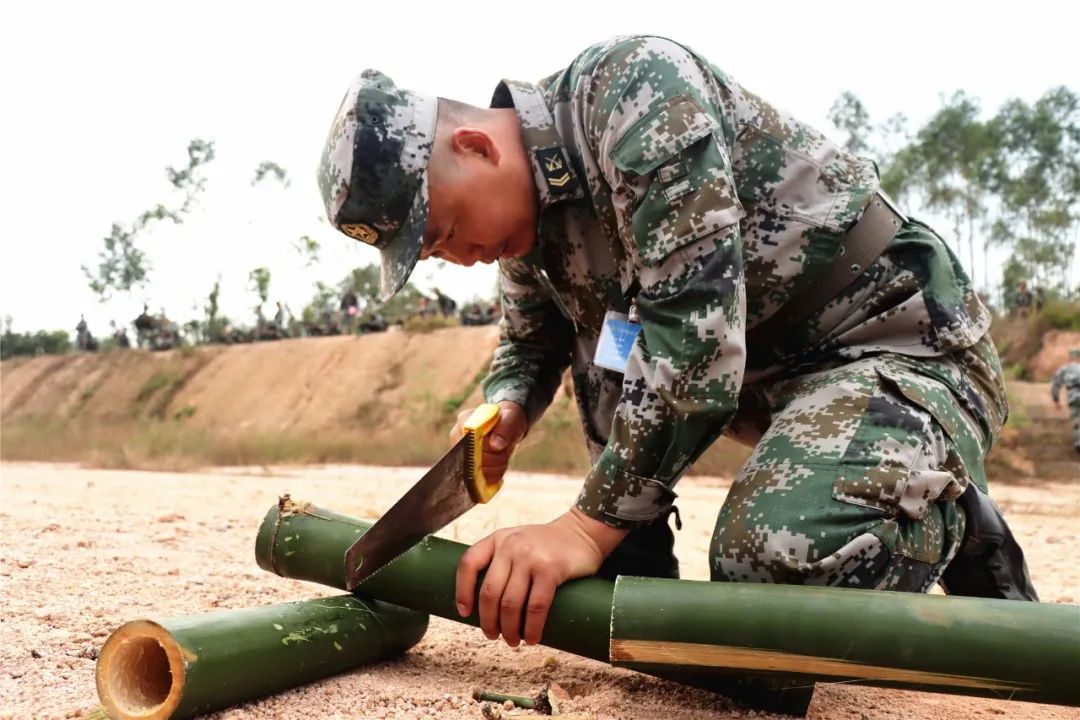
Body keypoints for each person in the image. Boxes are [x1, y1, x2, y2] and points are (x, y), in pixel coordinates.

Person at [317, 35, 1037, 683]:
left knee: (772, 565)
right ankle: (633, 555)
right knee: (597, 342)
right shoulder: (528, 224)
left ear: (476, 146)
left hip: (894, 345)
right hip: (777, 384)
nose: (461, 258)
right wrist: (506, 405)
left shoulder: (633, 92)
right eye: (439, 253)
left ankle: (940, 500)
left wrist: (580, 527)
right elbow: (530, 340)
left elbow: (694, 332)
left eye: (446, 231)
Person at [1050, 349, 1080, 456]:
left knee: (1077, 420)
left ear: (1070, 358)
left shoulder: (1065, 369)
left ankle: (1078, 444)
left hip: (1074, 397)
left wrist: (1056, 399)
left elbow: (1056, 385)